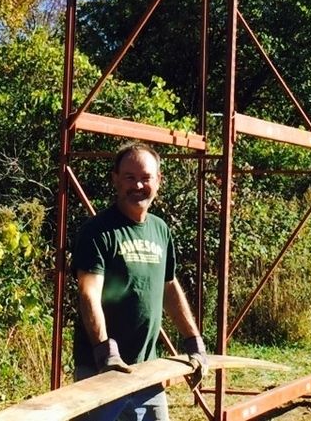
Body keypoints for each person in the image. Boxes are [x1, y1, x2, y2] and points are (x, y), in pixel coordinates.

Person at [71, 142, 208, 421]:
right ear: (115, 180)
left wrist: (194, 343)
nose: (138, 186)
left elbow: (170, 288)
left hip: (147, 374)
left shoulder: (161, 229)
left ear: (159, 181)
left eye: (146, 178)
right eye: (130, 177)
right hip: (100, 374)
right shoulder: (97, 232)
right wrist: (105, 352)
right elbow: (89, 293)